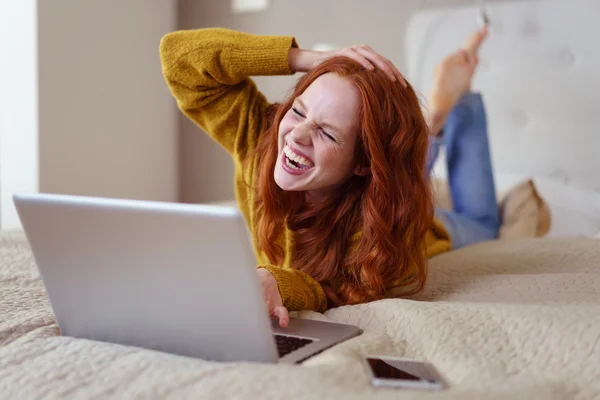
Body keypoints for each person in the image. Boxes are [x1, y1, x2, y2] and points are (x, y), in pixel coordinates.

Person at [159, 25, 498, 327]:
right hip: (380, 182)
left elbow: (339, 289)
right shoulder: (261, 140)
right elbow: (178, 57)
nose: (296, 136)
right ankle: (430, 127)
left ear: (362, 164)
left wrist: (278, 281)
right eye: (297, 110)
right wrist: (306, 59)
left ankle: (449, 109)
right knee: (401, 170)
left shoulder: (377, 234)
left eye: (327, 133)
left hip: (424, 228)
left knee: (484, 224)